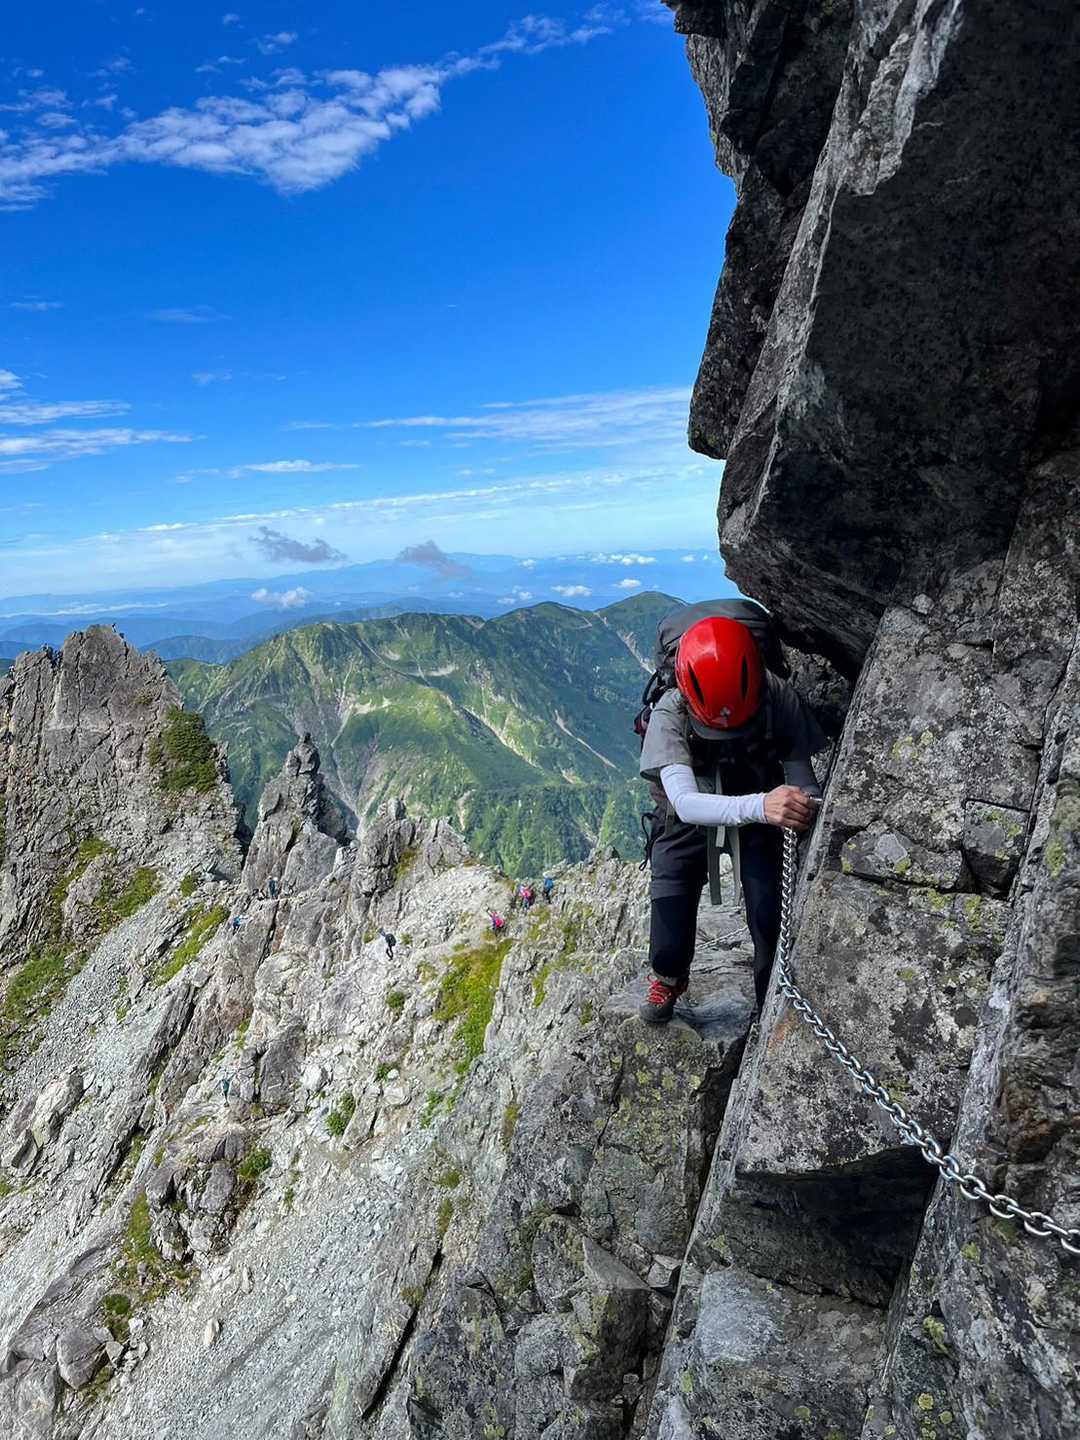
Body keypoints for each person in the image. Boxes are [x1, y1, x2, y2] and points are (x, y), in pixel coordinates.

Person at [638, 615, 824, 1024]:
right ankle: (668, 975)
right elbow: (685, 803)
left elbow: (804, 781)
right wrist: (764, 806)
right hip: (713, 806)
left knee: (768, 909)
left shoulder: (778, 695)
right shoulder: (671, 710)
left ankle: (769, 999)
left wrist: (799, 805)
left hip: (758, 795)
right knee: (671, 884)